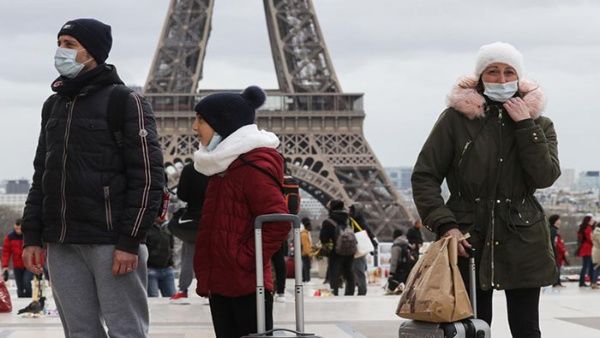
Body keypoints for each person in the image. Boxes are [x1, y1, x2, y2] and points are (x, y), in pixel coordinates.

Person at [21, 18, 164, 337]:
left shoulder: (125, 101)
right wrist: (32, 234)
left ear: (93, 53)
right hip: (62, 240)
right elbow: (42, 174)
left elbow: (148, 177)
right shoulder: (53, 106)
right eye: (59, 44)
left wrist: (130, 240)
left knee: (126, 330)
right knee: (79, 332)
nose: (61, 52)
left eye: (70, 45)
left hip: (111, 241)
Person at [412, 42, 560, 337]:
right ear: (480, 78)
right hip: (467, 236)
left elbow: (545, 176)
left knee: (527, 328)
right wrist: (446, 225)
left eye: (509, 72)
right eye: (492, 71)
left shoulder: (540, 124)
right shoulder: (455, 120)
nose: (502, 79)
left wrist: (525, 126)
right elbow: (425, 175)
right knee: (473, 329)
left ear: (520, 78)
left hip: (522, 236)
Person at [191, 85, 290, 338]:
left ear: (222, 124)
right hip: (222, 281)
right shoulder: (222, 168)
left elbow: (278, 221)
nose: (194, 127)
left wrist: (243, 258)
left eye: (201, 120)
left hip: (247, 284)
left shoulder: (250, 168)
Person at [169, 162, 209, 303]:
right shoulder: (218, 166)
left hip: (193, 219)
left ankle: (182, 290)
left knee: (188, 254)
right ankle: (208, 291)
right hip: (214, 217)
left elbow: (182, 194)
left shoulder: (190, 168)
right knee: (212, 256)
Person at [319, 199, 355, 296]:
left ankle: (334, 292)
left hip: (336, 251)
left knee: (334, 273)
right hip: (350, 251)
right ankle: (350, 293)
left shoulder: (328, 221)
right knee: (349, 272)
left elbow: (323, 238)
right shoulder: (349, 219)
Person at [349, 203, 377, 296]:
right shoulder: (361, 220)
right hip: (359, 248)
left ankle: (362, 290)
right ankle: (361, 289)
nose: (350, 212)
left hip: (357, 248)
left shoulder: (355, 221)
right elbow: (369, 233)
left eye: (352, 210)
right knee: (359, 269)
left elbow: (368, 233)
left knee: (358, 270)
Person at [2, 218, 33, 297]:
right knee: (20, 288)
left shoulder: (29, 236)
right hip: (17, 266)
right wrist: (5, 266)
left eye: (20, 228)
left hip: (28, 265)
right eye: (16, 228)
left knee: (26, 282)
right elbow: (6, 252)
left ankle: (29, 300)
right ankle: (21, 303)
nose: (18, 230)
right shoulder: (10, 238)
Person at [146, 217, 176, 297]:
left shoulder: (168, 228)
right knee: (153, 300)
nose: (163, 216)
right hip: (150, 270)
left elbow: (171, 246)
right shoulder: (147, 228)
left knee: (173, 300)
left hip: (167, 270)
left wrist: (171, 263)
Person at [386, 229, 415, 294]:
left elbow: (394, 261)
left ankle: (395, 289)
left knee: (391, 285)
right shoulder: (407, 244)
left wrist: (391, 273)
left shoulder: (396, 246)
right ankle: (401, 289)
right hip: (408, 268)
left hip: (399, 270)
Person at [548, 214, 568, 287]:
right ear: (555, 221)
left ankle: (557, 282)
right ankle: (556, 282)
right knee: (557, 267)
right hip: (554, 252)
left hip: (555, 252)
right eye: (559, 219)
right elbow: (553, 242)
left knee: (557, 267)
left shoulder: (553, 229)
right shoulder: (553, 230)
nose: (560, 221)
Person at [577, 214, 594, 287]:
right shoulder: (588, 228)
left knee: (585, 266)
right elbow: (590, 239)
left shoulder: (582, 228)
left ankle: (582, 281)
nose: (593, 221)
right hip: (588, 249)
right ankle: (585, 282)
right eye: (592, 220)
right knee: (588, 266)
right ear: (589, 221)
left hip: (584, 248)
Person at [300, 217, 313, 283]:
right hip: (305, 253)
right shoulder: (304, 234)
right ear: (307, 226)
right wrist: (309, 254)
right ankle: (306, 279)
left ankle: (305, 278)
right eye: (310, 226)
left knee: (305, 266)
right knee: (306, 266)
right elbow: (306, 246)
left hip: (304, 253)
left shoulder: (305, 233)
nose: (311, 227)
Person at [591, 221, 600, 289]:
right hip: (598, 252)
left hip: (597, 251)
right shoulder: (597, 232)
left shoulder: (596, 231)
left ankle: (594, 282)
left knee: (596, 267)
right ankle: (594, 283)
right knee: (596, 267)